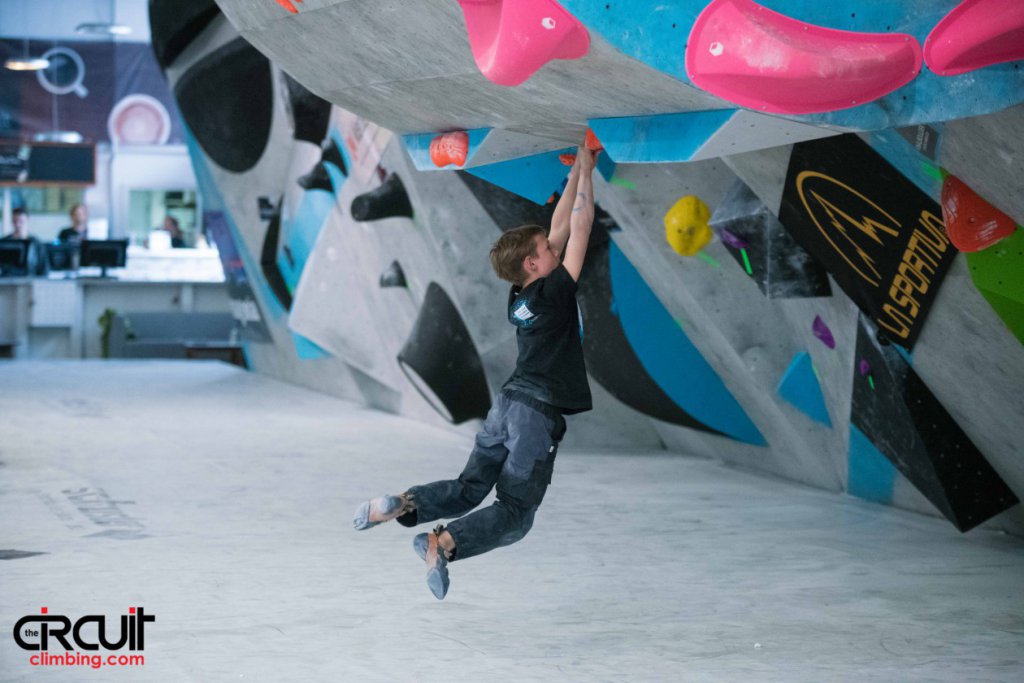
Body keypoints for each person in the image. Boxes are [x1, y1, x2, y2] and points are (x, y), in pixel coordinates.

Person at [353, 143, 599, 599]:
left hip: (504, 409)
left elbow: (561, 227)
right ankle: (441, 543)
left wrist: (577, 176)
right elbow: (579, 227)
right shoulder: (554, 294)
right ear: (532, 263)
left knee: (470, 487)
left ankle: (404, 504)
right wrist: (585, 166)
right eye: (546, 250)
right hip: (532, 416)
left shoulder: (521, 298)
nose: (553, 247)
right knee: (515, 511)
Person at [1, 208, 47, 276]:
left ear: (28, 221)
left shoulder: (37, 244)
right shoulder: (3, 243)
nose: (18, 225)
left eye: (21, 221)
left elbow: (44, 269)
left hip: (31, 282)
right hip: (7, 282)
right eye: (15, 221)